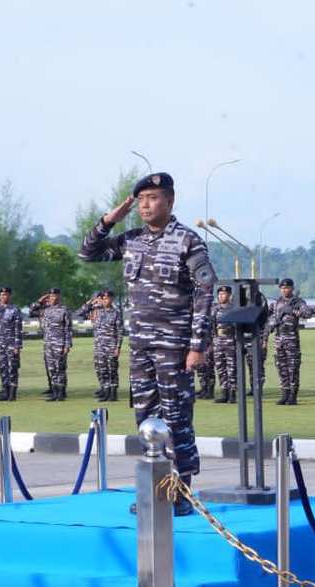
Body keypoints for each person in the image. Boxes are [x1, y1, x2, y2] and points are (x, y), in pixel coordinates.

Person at [78, 171, 217, 516]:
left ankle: (181, 492)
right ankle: (155, 491)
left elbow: (205, 293)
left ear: (170, 201)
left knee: (176, 416)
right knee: (145, 417)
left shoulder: (188, 241)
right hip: (140, 344)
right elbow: (87, 253)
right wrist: (110, 219)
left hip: (174, 345)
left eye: (152, 198)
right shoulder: (132, 240)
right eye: (140, 200)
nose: (145, 205)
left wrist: (197, 344)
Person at [267, 278, 312, 405]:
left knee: (293, 368)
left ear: (292, 288)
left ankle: (293, 395)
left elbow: (307, 313)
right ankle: (284, 393)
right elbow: (268, 317)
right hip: (279, 338)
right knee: (281, 367)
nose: (284, 290)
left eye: (287, 288)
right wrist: (271, 325)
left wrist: (293, 311)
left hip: (291, 338)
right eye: (282, 288)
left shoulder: (297, 302)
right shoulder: (276, 303)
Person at [29, 287, 73, 402]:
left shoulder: (64, 310)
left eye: (55, 296)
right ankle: (54, 392)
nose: (53, 298)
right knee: (51, 369)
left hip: (60, 343)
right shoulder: (46, 310)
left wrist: (67, 345)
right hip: (48, 344)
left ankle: (61, 392)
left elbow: (68, 329)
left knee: (60, 369)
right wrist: (40, 300)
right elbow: (31, 311)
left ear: (59, 297)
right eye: (51, 296)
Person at [89, 289, 123, 402]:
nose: (105, 301)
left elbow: (119, 332)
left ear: (112, 299)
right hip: (99, 346)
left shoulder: (116, 313)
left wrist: (118, 347)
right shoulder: (97, 312)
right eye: (103, 299)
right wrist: (92, 302)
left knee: (112, 370)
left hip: (111, 346)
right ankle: (106, 392)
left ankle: (113, 394)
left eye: (107, 298)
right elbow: (81, 312)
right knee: (102, 370)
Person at [211, 285, 238, 403]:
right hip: (218, 340)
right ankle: (224, 392)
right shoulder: (215, 309)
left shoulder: (233, 308)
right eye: (220, 294)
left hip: (230, 340)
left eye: (224, 294)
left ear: (229, 295)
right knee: (220, 368)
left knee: (231, 368)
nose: (221, 296)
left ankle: (232, 393)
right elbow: (211, 324)